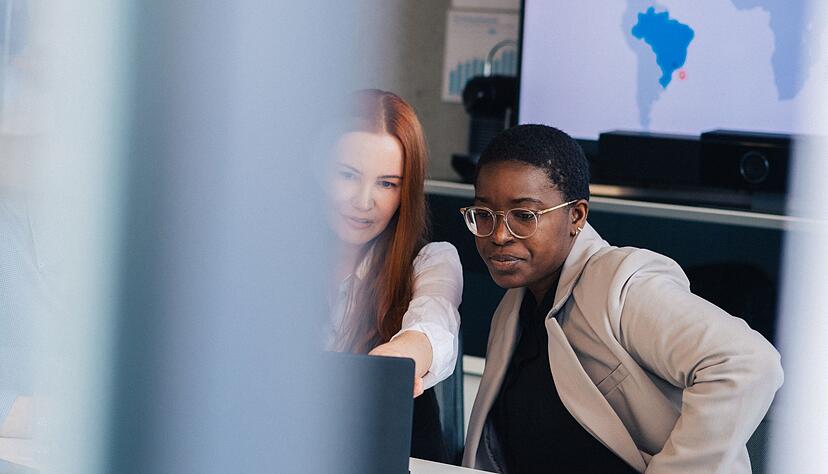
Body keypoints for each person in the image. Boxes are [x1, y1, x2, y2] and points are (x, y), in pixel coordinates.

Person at [461, 124, 783, 473]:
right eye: (483, 215)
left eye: (524, 216)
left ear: (577, 216)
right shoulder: (514, 308)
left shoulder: (621, 282)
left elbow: (749, 362)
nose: (499, 234)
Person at [325, 89, 462, 462]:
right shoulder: (269, 262)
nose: (364, 201)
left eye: (387, 183)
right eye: (348, 175)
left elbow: (434, 327)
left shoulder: (431, 261)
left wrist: (398, 357)